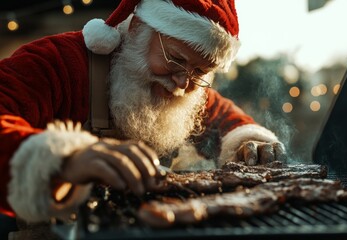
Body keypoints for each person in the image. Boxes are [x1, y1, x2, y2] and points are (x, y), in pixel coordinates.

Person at [0, 0, 286, 229]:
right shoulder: (57, 61)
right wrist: (63, 160)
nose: (182, 84)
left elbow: (225, 115)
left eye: (200, 72)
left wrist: (249, 142)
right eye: (175, 58)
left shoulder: (187, 89)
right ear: (137, 28)